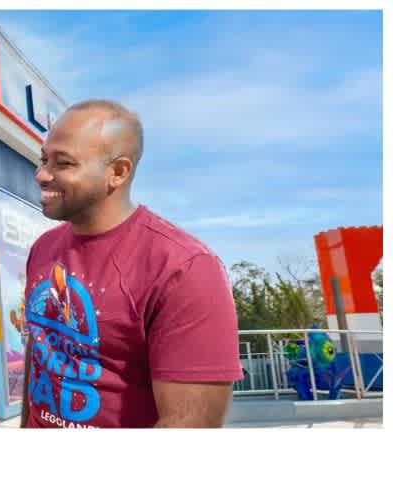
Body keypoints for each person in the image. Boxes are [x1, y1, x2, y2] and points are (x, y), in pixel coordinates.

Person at [22, 99, 243, 429]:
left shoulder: (185, 269)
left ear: (117, 172)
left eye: (63, 163)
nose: (41, 175)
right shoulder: (42, 249)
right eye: (43, 160)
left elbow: (189, 425)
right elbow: (39, 351)